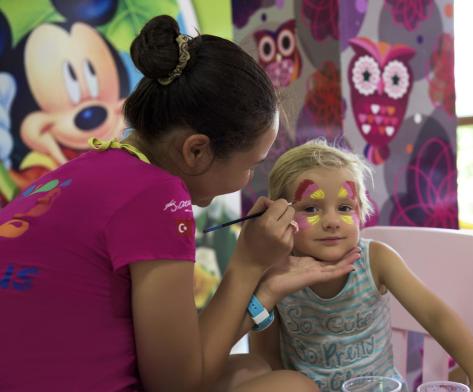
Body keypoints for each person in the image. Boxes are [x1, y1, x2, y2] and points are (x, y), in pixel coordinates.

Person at [0, 16, 361, 392]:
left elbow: (182, 351)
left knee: (251, 368)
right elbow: (175, 384)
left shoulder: (88, 169)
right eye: (251, 165)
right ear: (196, 150)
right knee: (292, 387)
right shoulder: (156, 196)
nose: (250, 180)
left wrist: (266, 290)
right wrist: (248, 264)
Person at [250, 139, 473, 392]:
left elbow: (437, 317)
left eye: (344, 207)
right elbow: (267, 359)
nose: (332, 221)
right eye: (311, 208)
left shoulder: (376, 259)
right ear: (281, 215)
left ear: (361, 210)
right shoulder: (275, 274)